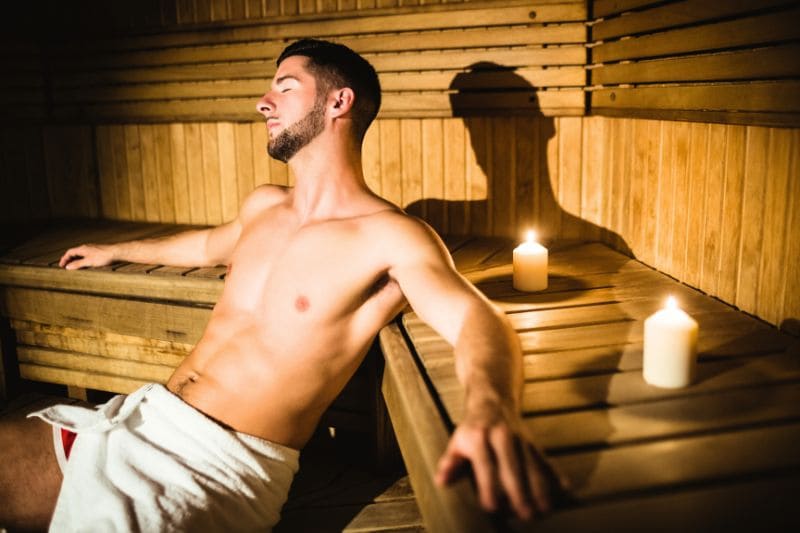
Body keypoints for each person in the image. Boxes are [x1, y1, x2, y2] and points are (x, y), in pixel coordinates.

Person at [0, 39, 562, 531]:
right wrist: (117, 250)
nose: (263, 102)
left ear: (338, 102)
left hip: (217, 469)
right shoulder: (264, 205)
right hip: (141, 420)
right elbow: (202, 247)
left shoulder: (391, 236)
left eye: (285, 88)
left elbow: (475, 319)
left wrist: (491, 411)